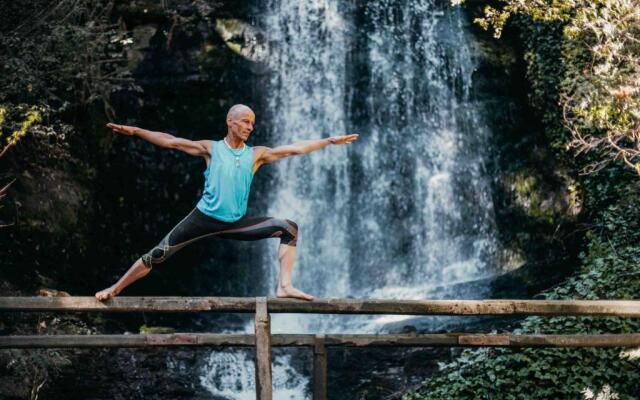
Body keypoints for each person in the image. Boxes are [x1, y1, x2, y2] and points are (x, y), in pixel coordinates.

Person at [95, 104, 358, 301]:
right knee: (158, 254)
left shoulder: (257, 155)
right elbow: (171, 142)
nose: (249, 127)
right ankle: (115, 288)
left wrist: (328, 141)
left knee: (289, 228)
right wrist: (137, 131)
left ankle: (285, 286)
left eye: (252, 123)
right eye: (245, 121)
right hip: (202, 219)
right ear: (230, 121)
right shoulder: (211, 148)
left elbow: (295, 148)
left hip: (235, 223)